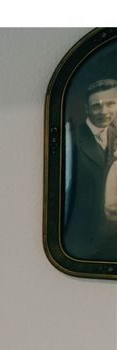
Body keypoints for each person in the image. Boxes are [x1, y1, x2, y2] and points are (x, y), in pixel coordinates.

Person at [64, 78, 117, 259]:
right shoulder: (71, 140)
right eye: (96, 106)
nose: (104, 111)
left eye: (110, 104)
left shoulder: (116, 135)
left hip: (112, 239)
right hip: (81, 242)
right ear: (87, 109)